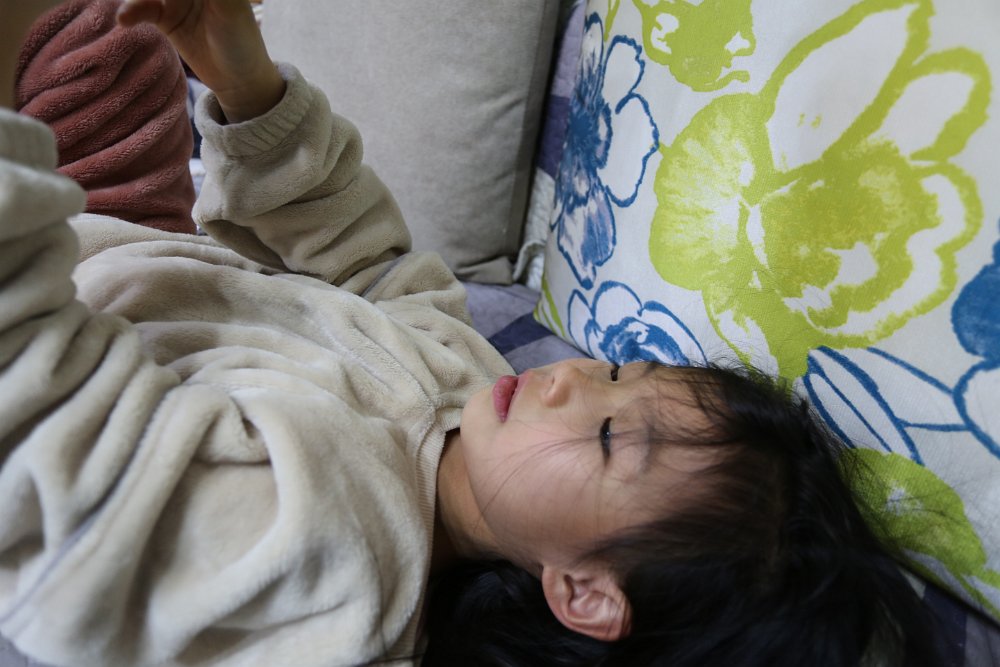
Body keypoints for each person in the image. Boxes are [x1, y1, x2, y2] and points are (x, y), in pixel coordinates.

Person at [0, 1, 941, 666]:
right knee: (108, 29)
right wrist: (243, 77)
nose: (572, 379)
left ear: (583, 591)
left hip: (45, 310)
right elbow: (374, 263)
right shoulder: (475, 400)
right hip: (136, 240)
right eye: (619, 373)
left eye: (608, 435)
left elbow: (50, 454)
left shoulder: (335, 567)